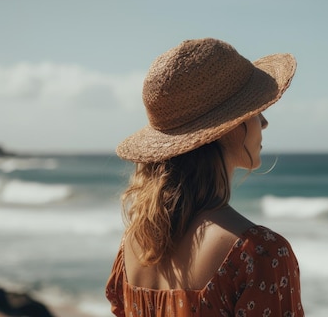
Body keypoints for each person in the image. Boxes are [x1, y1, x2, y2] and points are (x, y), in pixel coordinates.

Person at [105, 38, 303, 317]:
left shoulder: (135, 244)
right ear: (230, 127)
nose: (265, 122)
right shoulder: (259, 254)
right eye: (256, 110)